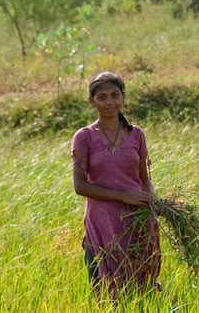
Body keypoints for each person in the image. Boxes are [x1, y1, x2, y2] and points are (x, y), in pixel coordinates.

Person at [70, 71, 161, 299]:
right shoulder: (84, 137)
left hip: (136, 221)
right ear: (92, 102)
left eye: (114, 95)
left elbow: (144, 179)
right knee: (106, 291)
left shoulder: (136, 134)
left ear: (123, 97)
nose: (109, 102)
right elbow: (80, 186)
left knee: (142, 289)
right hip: (102, 222)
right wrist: (123, 196)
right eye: (102, 97)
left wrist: (151, 202)